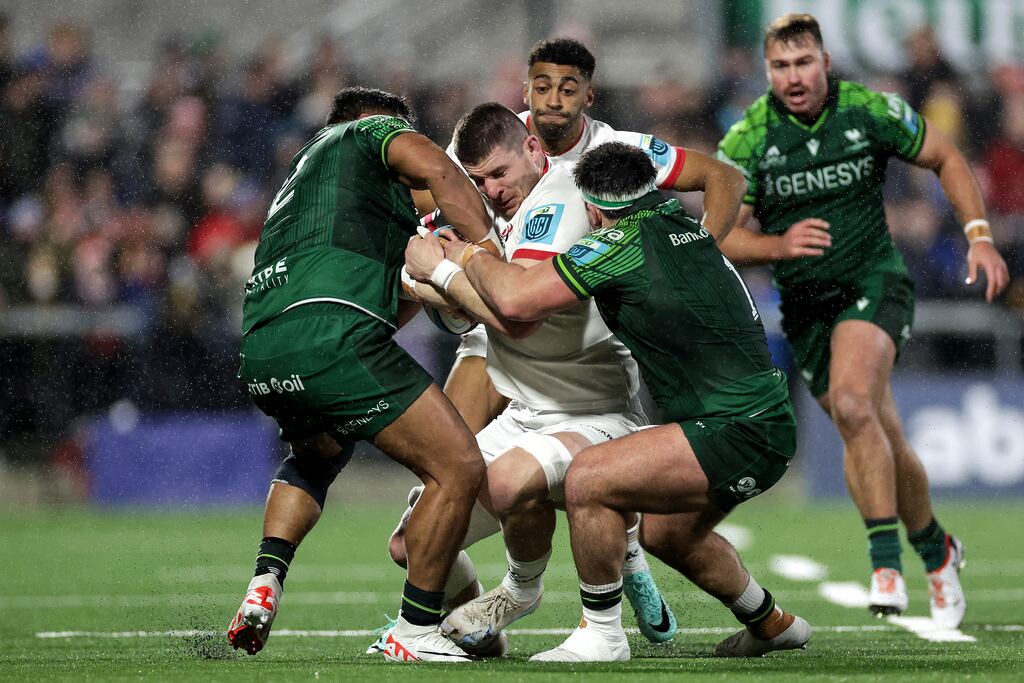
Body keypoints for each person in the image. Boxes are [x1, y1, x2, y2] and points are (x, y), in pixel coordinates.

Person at [386, 36, 744, 646]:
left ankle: (589, 560)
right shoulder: (491, 138)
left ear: (588, 95)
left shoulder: (614, 153)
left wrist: (694, 257)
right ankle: (590, 562)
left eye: (568, 88)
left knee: (525, 476)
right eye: (542, 87)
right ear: (524, 91)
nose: (553, 101)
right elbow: (434, 192)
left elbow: (724, 179)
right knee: (443, 479)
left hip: (577, 341)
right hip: (494, 329)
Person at [407, 141, 811, 662]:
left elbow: (515, 301)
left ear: (594, 210)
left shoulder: (620, 242)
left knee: (591, 479)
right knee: (668, 532)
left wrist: (456, 259)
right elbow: (723, 180)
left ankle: (602, 633)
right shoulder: (675, 218)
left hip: (735, 428)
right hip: (754, 420)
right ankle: (772, 623)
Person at [715, 13, 1009, 626]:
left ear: (825, 61)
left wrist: (979, 236)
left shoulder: (870, 110)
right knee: (880, 432)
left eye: (803, 62)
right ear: (768, 70)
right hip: (805, 307)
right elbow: (721, 236)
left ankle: (884, 564)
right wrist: (776, 246)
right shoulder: (747, 138)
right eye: (780, 66)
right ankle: (937, 549)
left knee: (852, 404)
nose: (793, 76)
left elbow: (946, 157)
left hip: (874, 281)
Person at [227, 87, 496, 663]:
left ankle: (265, 582)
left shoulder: (311, 192)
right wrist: (490, 248)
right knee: (458, 466)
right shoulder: (362, 133)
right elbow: (440, 169)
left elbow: (396, 303)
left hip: (264, 349)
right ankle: (415, 629)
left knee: (318, 455)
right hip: (330, 337)